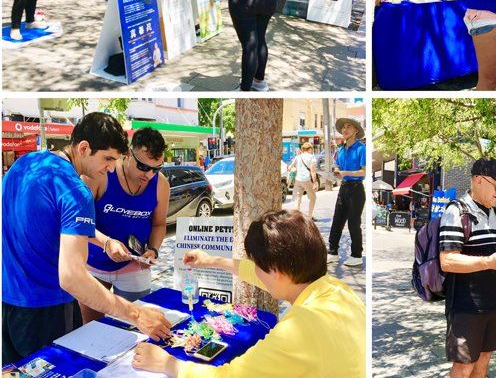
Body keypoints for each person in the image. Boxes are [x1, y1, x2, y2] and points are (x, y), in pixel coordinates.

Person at [2, 113, 171, 364]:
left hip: (8, 301)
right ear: (83, 148)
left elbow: (47, 223)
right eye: (108, 158)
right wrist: (136, 314)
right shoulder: (75, 190)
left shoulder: (25, 164)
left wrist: (104, 241)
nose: (111, 168)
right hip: (48, 308)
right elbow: (72, 277)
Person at [132, 210, 365, 377]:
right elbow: (261, 275)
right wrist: (212, 260)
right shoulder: (339, 291)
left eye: (259, 265)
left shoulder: (298, 329)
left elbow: (229, 375)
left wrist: (167, 364)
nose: (256, 272)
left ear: (277, 272)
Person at [439, 158, 496, 378]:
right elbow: (448, 261)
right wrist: (488, 261)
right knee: (463, 369)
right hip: (464, 307)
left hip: (491, 304)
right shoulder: (457, 211)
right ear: (479, 180)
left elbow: (493, 257)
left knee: (482, 364)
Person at [79, 127, 171, 323]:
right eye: (143, 167)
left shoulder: (161, 185)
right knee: (92, 329)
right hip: (94, 265)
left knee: (136, 328)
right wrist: (106, 243)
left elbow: (159, 224)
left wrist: (153, 250)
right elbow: (78, 221)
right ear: (129, 154)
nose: (149, 175)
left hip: (133, 267)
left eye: (156, 169)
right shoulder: (101, 174)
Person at [327, 118, 366, 268]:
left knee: (353, 223)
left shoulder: (361, 148)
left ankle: (356, 255)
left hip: (356, 189)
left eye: (349, 127)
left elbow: (364, 171)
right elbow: (337, 166)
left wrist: (345, 172)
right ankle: (332, 253)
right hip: (343, 188)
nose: (345, 129)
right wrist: (337, 171)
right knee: (337, 220)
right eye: (343, 127)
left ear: (356, 131)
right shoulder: (340, 149)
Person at [290, 142, 319, 218]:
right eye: (311, 149)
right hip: (306, 179)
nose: (312, 150)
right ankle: (309, 216)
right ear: (309, 149)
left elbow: (290, 167)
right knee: (313, 198)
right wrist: (315, 182)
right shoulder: (312, 157)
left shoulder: (298, 157)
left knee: (297, 199)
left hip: (298, 180)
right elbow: (313, 171)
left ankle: (296, 218)